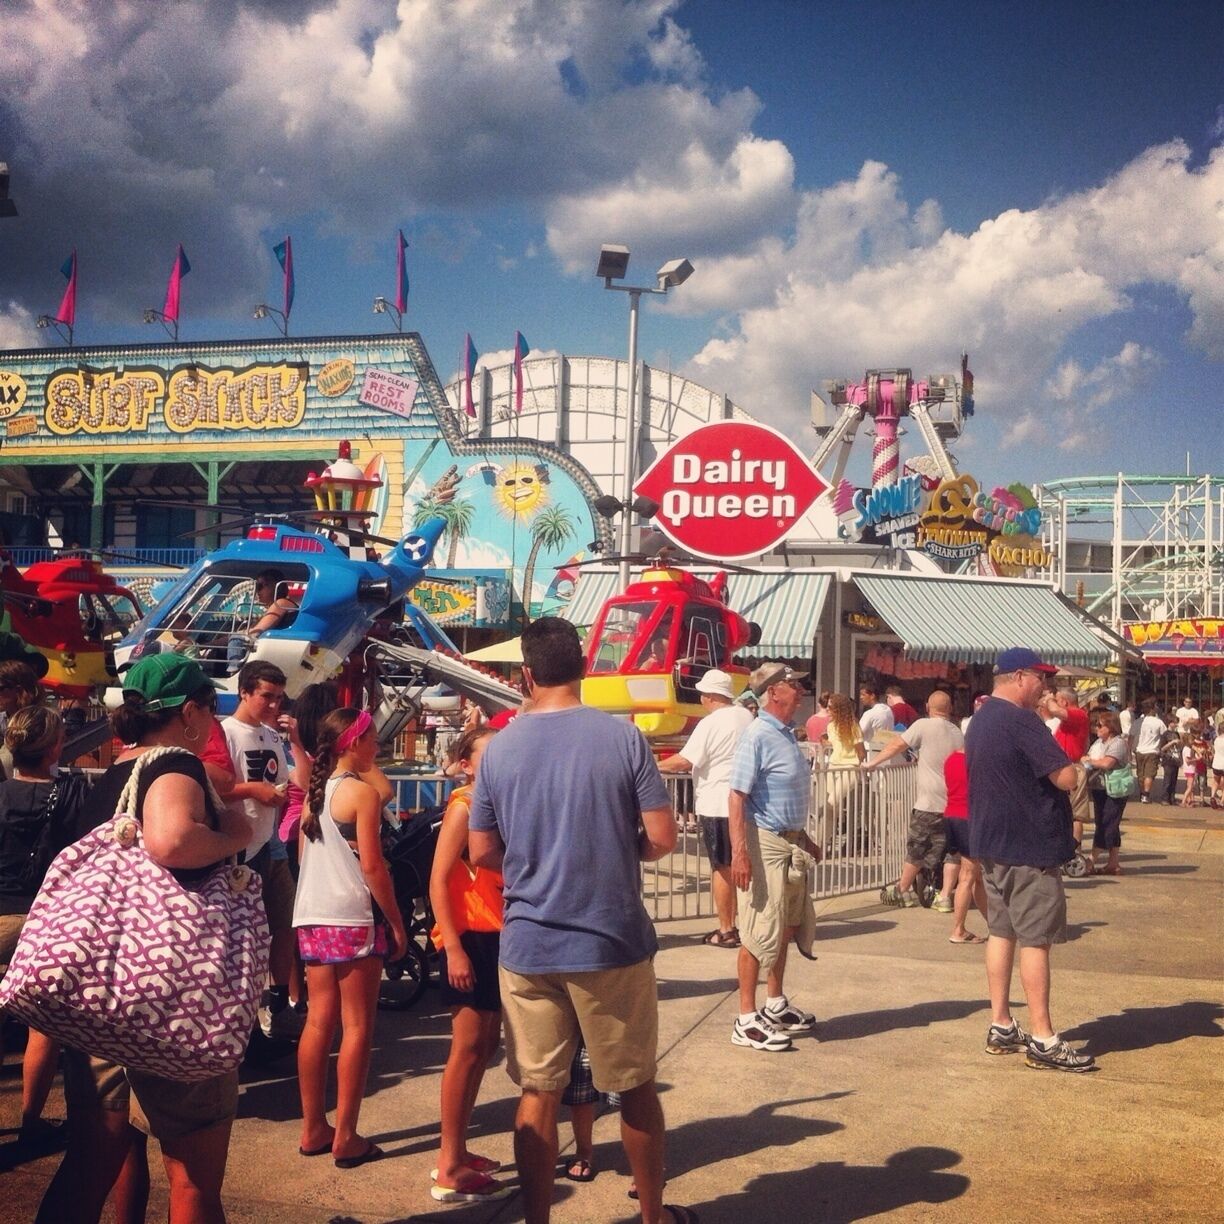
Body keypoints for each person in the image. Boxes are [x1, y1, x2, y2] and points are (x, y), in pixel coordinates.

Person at [468, 618, 693, 1224]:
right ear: (585, 670)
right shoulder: (622, 739)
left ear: (526, 676)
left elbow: (481, 852)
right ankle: (652, 1216)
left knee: (537, 1093)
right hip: (609, 938)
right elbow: (662, 838)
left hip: (529, 942)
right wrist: (622, 852)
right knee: (637, 1087)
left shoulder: (500, 748)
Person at [37, 653, 252, 1224]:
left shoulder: (110, 777)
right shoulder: (177, 766)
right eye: (209, 708)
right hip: (171, 998)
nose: (210, 721)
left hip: (105, 999)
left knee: (88, 1164)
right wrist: (236, 831)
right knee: (192, 1180)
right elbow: (173, 841)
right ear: (189, 712)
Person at [966, 647, 1095, 1073]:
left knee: (1001, 933)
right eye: (1041, 678)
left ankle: (1001, 1022)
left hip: (992, 842)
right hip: (1029, 845)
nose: (1045, 686)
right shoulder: (1022, 722)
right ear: (1020, 677)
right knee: (1036, 940)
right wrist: (1074, 752)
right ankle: (1043, 1037)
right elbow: (1065, 776)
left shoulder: (981, 718)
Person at [293, 707, 407, 1169]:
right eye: (372, 740)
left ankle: (312, 1128)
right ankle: (346, 1135)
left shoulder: (312, 797)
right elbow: (373, 868)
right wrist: (396, 921)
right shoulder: (360, 794)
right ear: (353, 743)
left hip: (313, 914)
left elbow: (305, 860)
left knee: (319, 1022)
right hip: (353, 916)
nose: (376, 748)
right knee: (358, 1025)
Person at [0, 706, 91, 1150]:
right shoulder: (72, 794)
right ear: (55, 746)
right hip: (43, 919)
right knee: (43, 1027)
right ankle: (31, 1121)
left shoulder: (0, 796)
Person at [428, 725, 511, 1204]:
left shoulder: (495, 803)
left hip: (496, 933)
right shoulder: (463, 805)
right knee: (466, 1049)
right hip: (471, 938)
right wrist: (452, 947)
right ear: (465, 762)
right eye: (488, 753)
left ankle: (458, 1149)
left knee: (483, 1047)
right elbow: (439, 879)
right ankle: (448, 1162)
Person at [728, 663, 820, 1054]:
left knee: (784, 925)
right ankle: (746, 1018)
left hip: (788, 841)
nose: (800, 691)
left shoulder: (783, 734)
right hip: (764, 842)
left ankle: (775, 1003)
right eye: (793, 685)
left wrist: (806, 837)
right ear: (773, 693)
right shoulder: (758, 735)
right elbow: (737, 796)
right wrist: (740, 853)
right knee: (757, 929)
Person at [223, 661, 298, 1040]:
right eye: (266, 696)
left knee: (284, 925)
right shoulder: (225, 733)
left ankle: (277, 1001)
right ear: (245, 692)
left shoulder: (272, 735)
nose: (273, 705)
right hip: (238, 849)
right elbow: (215, 788)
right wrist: (254, 791)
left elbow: (286, 781)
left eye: (279, 698)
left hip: (271, 843)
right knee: (245, 936)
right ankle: (245, 1017)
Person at [658, 668, 753, 949]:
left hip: (717, 804)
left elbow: (686, 761)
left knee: (722, 868)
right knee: (743, 866)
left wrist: (651, 766)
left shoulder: (711, 723)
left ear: (710, 696)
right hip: (745, 802)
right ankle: (747, 924)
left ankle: (727, 928)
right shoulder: (746, 716)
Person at [869, 691, 964, 910]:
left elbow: (896, 745)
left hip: (928, 803)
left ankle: (902, 890)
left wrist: (872, 763)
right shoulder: (957, 733)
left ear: (928, 707)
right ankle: (945, 897)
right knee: (951, 851)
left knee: (917, 848)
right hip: (953, 803)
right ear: (950, 708)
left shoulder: (923, 725)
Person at [943, 749, 987, 944]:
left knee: (976, 875)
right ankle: (958, 929)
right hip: (968, 817)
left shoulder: (951, 758)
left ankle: (995, 925)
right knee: (968, 876)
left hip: (951, 814)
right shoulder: (977, 760)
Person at [1040, 688, 1091, 850]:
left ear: (1064, 702)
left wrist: (1048, 698)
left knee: (1075, 812)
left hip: (1072, 767)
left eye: (1057, 699)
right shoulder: (1070, 720)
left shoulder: (1078, 714)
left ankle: (1074, 849)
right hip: (1062, 766)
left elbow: (1055, 710)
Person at [1084, 711, 1130, 875]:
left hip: (1114, 790)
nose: (1096, 728)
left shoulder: (1117, 743)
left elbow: (1107, 763)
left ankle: (1091, 860)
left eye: (1100, 725)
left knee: (1106, 824)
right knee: (1109, 823)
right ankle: (1113, 863)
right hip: (1100, 789)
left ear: (1110, 727)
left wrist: (1090, 761)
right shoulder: (1099, 742)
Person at [821, 692, 865, 854]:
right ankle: (826, 842)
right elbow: (835, 744)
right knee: (830, 807)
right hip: (833, 766)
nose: (828, 709)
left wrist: (860, 765)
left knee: (832, 803)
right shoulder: (831, 726)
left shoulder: (853, 726)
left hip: (850, 768)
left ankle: (826, 840)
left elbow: (861, 751)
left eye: (830, 707)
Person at [0, 659, 43, 779]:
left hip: (32, 790)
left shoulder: (43, 722)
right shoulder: (2, 719)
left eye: (0, 688)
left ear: (19, 690)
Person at [1129, 698, 1166, 804]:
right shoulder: (1159, 722)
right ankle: (1145, 794)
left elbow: (1131, 737)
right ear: (1153, 708)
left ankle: (1142, 793)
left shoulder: (1137, 722)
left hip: (1139, 751)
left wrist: (1129, 751)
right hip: (1152, 751)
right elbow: (1164, 735)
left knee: (1141, 774)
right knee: (1149, 774)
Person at [858, 682, 895, 754]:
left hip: (870, 751)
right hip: (886, 750)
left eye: (863, 695)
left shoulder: (869, 714)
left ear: (872, 696)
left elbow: (858, 734)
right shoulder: (888, 710)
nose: (861, 697)